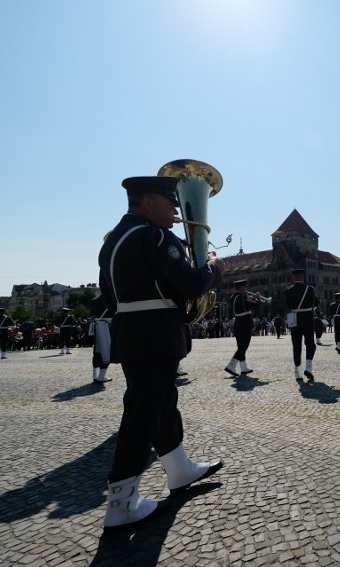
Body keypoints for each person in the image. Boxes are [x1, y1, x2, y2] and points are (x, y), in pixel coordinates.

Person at [97, 175, 226, 531]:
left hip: (133, 333)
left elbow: (109, 299)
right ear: (147, 203)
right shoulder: (153, 236)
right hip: (155, 334)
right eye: (168, 203)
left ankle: (178, 468)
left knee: (162, 402)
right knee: (143, 414)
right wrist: (212, 268)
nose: (174, 209)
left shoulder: (112, 242)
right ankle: (121, 503)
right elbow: (190, 283)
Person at [285, 268, 318, 382]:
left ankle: (297, 372)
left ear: (293, 278)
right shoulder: (309, 289)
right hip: (307, 319)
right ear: (303, 277)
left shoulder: (288, 290)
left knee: (296, 346)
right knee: (310, 344)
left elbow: (288, 305)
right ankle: (308, 368)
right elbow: (316, 302)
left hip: (295, 319)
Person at [224, 280, 256, 376]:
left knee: (241, 346)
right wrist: (257, 299)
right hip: (245, 323)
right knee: (243, 347)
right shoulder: (242, 297)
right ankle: (231, 365)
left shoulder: (233, 297)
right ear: (241, 288)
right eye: (245, 287)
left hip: (238, 323)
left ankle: (243, 367)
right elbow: (254, 306)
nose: (246, 289)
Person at [89, 295, 114, 383]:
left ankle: (95, 375)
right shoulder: (112, 298)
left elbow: (91, 313)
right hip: (108, 325)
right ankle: (102, 375)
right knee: (107, 350)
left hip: (97, 325)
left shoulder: (94, 300)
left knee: (97, 352)